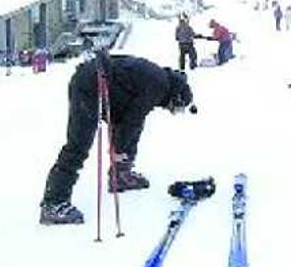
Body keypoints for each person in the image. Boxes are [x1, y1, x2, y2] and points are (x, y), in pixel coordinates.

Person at [39, 54, 197, 224]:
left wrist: (121, 147)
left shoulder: (159, 79)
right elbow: (131, 119)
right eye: (176, 108)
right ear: (176, 98)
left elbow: (131, 118)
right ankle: (54, 202)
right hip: (91, 86)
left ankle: (120, 175)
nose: (171, 110)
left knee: (134, 126)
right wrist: (119, 149)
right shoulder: (158, 84)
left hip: (110, 90)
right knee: (79, 144)